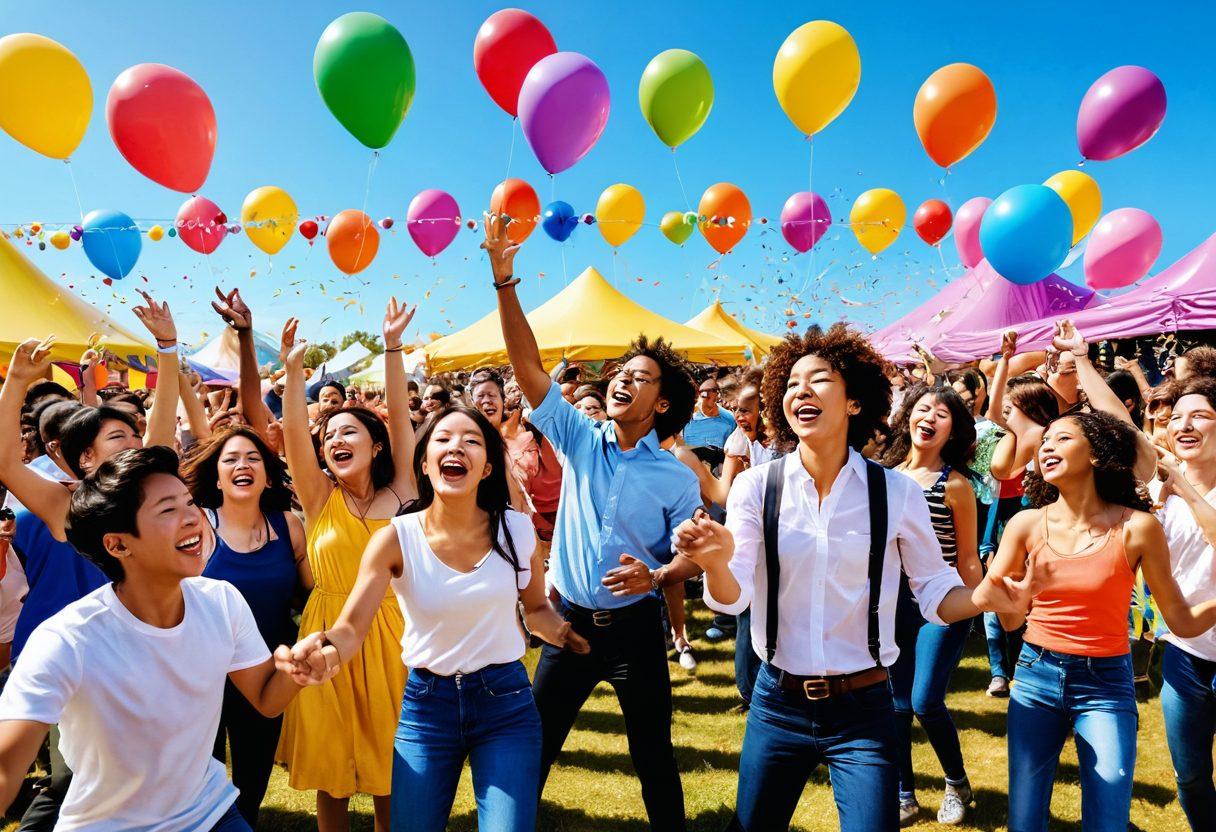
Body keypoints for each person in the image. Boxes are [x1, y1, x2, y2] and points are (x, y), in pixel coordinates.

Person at [674, 324, 980, 832]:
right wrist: (714, 563)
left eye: (819, 379)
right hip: (777, 704)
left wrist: (986, 595)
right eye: (792, 383)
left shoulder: (896, 492)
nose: (801, 391)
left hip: (865, 710)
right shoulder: (756, 486)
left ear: (855, 402)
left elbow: (935, 594)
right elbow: (732, 600)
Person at [483, 215, 702, 830]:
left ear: (661, 403)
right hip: (570, 625)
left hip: (635, 632)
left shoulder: (677, 477)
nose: (623, 381)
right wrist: (505, 282)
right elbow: (527, 369)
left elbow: (693, 556)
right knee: (535, 748)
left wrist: (660, 573)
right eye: (620, 374)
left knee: (654, 756)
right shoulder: (580, 436)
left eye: (640, 377)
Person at [290, 406, 589, 831]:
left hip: (505, 704)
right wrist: (327, 651)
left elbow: (535, 608)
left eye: (471, 440)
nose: (457, 447)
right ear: (424, 463)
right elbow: (351, 627)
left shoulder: (516, 530)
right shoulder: (395, 537)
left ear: (487, 467)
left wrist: (558, 629)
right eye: (444, 439)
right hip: (427, 707)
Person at [0, 445, 322, 831]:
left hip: (212, 814)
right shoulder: (67, 640)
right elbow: (7, 769)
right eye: (169, 510)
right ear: (118, 544)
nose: (193, 518)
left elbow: (268, 701)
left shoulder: (221, 601)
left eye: (189, 503)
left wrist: (298, 670)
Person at [974, 410, 1216, 832]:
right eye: (1044, 441)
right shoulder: (1025, 524)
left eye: (1061, 438)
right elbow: (1006, 617)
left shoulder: (1139, 528)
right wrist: (1011, 600)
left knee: (1108, 821)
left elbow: (1180, 619)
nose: (1046, 446)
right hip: (1035, 676)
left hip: (1106, 683)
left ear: (1097, 454)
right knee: (1025, 822)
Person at [274, 299, 418, 832]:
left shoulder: (404, 491)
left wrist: (393, 347)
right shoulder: (318, 498)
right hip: (325, 633)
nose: (335, 439)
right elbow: (292, 435)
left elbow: (401, 414)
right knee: (331, 768)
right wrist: (292, 373)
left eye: (349, 431)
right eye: (328, 434)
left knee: (390, 766)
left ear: (375, 445)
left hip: (397, 636)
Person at [181, 425, 313, 828]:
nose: (243, 465)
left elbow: (314, 593)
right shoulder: (197, 524)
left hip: (267, 670)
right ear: (217, 477)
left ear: (269, 475)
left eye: (253, 458)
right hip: (201, 672)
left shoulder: (288, 525)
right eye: (232, 459)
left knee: (253, 778)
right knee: (202, 775)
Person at [880, 385, 982, 825]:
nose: (930, 417)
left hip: (940, 603)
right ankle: (905, 793)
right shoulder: (882, 475)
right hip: (889, 604)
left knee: (924, 702)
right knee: (895, 706)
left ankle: (956, 783)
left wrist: (978, 605)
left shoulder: (955, 485)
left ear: (953, 430)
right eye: (923, 408)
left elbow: (967, 558)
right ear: (907, 418)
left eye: (942, 413)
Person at [1152, 377, 1216, 829]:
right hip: (1185, 651)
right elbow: (1120, 419)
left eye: (1200, 415)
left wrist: (1183, 488)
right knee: (1190, 775)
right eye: (1176, 417)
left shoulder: (1176, 486)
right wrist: (1079, 358)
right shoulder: (1159, 488)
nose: (1183, 424)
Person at [683, 374, 737, 451]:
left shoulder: (730, 419)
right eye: (703, 392)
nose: (707, 395)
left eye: (713, 391)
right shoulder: (686, 416)